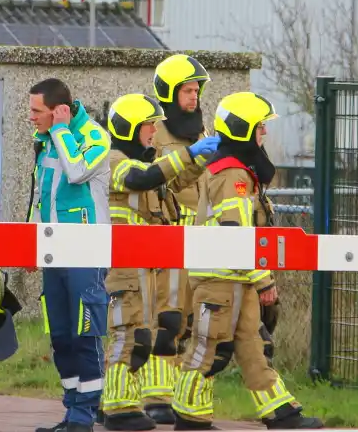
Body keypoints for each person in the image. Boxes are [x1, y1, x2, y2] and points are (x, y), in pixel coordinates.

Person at [172, 92, 322, 431]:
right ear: (243, 130)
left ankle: (281, 413)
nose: (264, 134)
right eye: (260, 127)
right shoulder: (232, 176)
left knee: (256, 346)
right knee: (209, 350)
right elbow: (236, 233)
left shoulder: (236, 171)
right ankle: (188, 415)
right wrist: (263, 278)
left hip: (235, 277)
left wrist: (256, 277)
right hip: (221, 279)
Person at [100, 93, 220, 432]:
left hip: (147, 266)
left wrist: (198, 161)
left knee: (147, 336)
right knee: (129, 336)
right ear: (129, 129)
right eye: (148, 125)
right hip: (124, 266)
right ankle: (118, 408)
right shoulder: (114, 160)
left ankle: (122, 403)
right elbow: (141, 179)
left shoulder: (148, 164)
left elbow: (170, 180)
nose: (154, 130)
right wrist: (188, 154)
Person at [26, 78, 111, 432]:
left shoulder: (94, 136)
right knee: (60, 336)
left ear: (59, 109)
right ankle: (71, 412)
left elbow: (76, 172)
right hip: (52, 250)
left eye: (36, 111)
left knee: (84, 333)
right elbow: (40, 194)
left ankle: (85, 415)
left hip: (85, 249)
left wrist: (61, 130)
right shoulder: (44, 141)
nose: (31, 117)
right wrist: (30, 243)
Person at [143, 54, 213, 425]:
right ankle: (155, 395)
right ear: (168, 93)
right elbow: (152, 182)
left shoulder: (199, 134)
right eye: (186, 90)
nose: (193, 98)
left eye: (196, 90)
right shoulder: (156, 134)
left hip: (199, 243)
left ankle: (176, 395)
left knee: (189, 323)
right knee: (165, 318)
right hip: (165, 237)